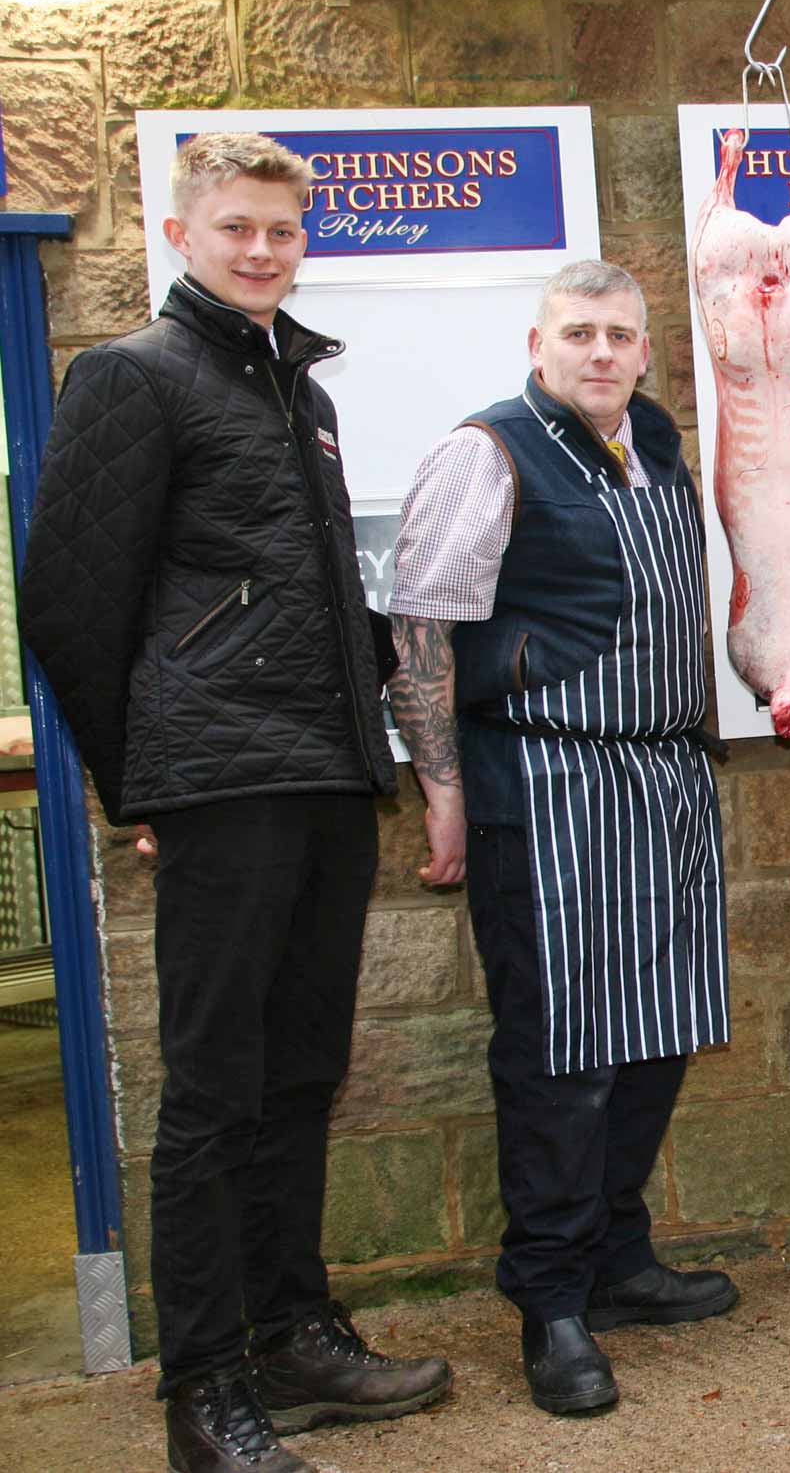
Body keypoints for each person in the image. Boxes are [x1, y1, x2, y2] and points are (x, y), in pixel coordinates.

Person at [19, 133, 449, 1473]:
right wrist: (130, 777)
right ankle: (205, 1395)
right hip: (221, 778)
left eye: (280, 229)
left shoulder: (291, 386)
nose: (261, 249)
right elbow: (69, 601)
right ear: (178, 231)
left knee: (301, 1071)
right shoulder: (133, 377)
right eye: (237, 228)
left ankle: (292, 1332)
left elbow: (300, 588)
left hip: (323, 772)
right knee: (211, 1092)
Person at [386, 259, 735, 1417]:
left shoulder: (657, 444)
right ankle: (550, 1300)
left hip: (663, 772)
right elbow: (422, 628)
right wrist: (441, 789)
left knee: (658, 1032)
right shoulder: (485, 451)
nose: (600, 352)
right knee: (560, 1051)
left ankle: (617, 1260)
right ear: (538, 343)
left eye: (620, 334)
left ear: (644, 350)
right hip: (543, 776)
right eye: (578, 332)